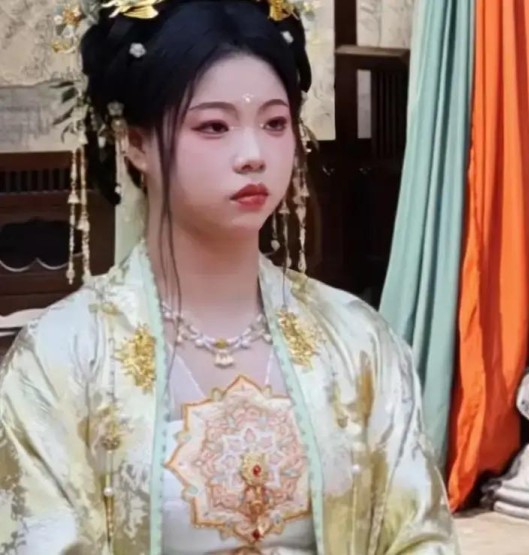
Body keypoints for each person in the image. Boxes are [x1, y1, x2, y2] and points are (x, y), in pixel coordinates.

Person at [0, 0, 458, 553]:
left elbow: (418, 536)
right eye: (214, 126)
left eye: (275, 123)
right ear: (137, 142)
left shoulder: (358, 340)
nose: (253, 155)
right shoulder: (62, 357)